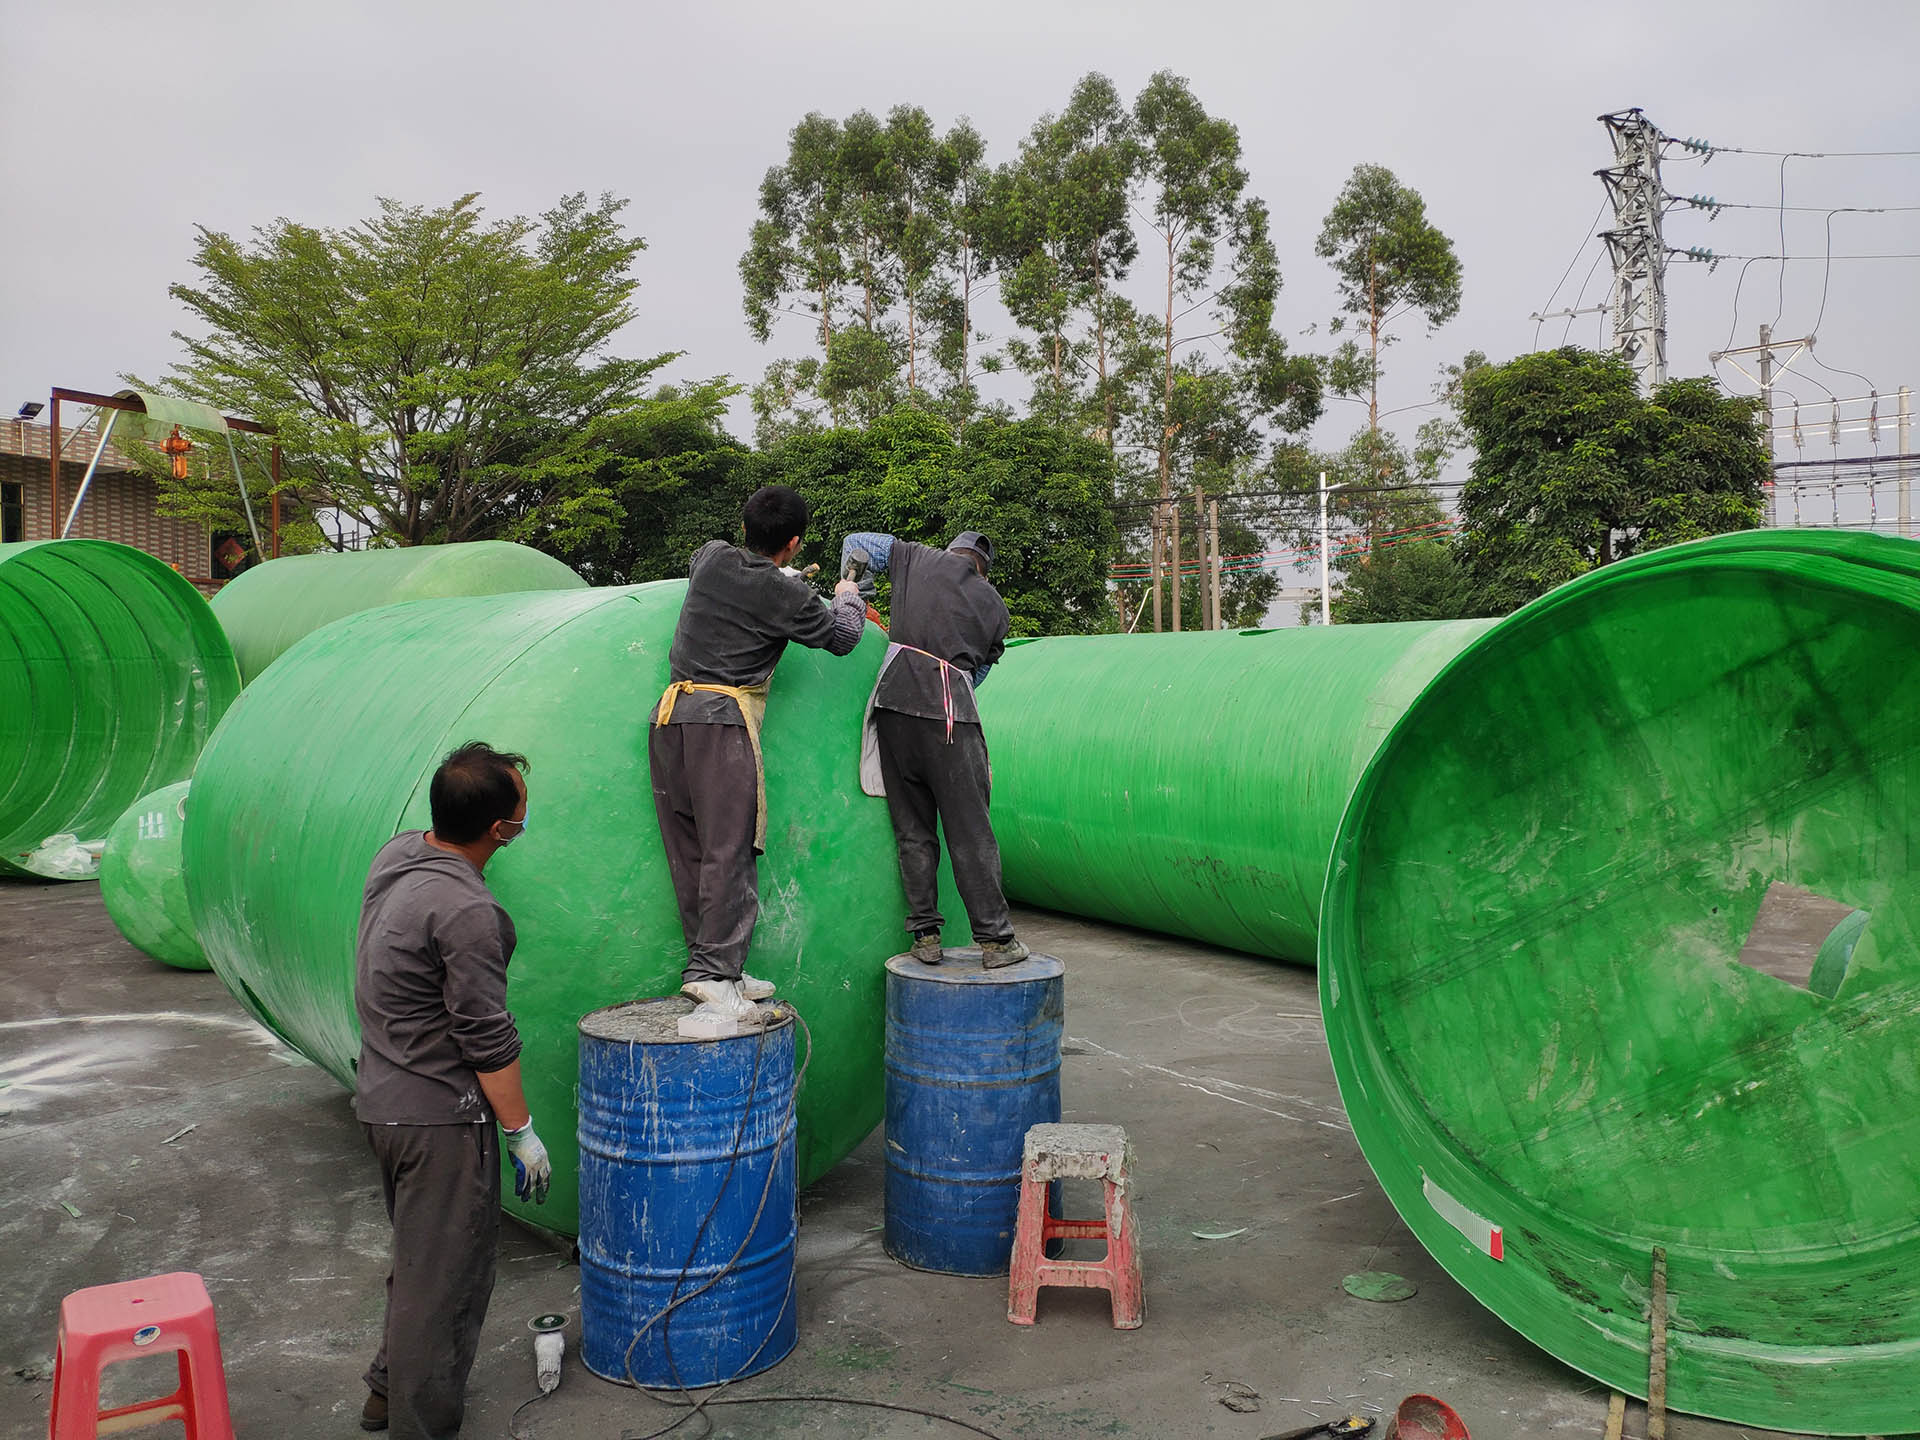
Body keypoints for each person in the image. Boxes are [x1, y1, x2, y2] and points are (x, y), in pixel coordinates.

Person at [352, 742, 551, 1437]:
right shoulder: (467, 913)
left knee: (421, 1261)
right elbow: (485, 1037)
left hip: (383, 1097)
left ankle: (385, 1390)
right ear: (501, 830)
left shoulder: (398, 856)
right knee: (446, 1285)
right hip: (437, 1118)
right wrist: (520, 1131)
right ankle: (419, 1424)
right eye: (520, 809)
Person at [652, 484, 866, 1021]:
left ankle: (716, 965)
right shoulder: (788, 596)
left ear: (744, 526)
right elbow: (842, 637)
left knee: (693, 852)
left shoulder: (712, 556)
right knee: (730, 850)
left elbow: (732, 572)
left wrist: (783, 577)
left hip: (671, 718)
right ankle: (715, 975)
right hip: (722, 724)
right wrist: (846, 593)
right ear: (793, 543)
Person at [840, 529, 1027, 968]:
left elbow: (855, 543)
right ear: (984, 568)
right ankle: (997, 943)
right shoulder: (994, 606)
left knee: (913, 831)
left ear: (953, 553)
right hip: (949, 718)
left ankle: (925, 936)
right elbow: (975, 675)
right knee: (970, 831)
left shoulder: (913, 557)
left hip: (893, 708)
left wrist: (859, 596)